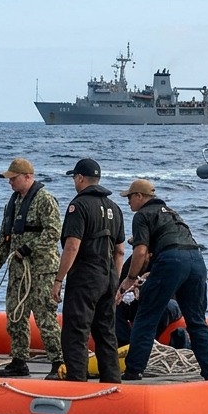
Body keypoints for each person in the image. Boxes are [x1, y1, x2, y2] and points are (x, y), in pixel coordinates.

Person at [118, 179, 208, 381]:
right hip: (197, 260)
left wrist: (130, 279)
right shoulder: (172, 213)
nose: (128, 202)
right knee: (196, 320)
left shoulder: (142, 215)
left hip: (171, 260)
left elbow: (140, 252)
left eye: (129, 197)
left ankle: (133, 370)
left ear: (140, 196)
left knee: (146, 316)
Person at [0, 158, 63, 378]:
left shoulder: (45, 200)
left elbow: (53, 232)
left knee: (45, 317)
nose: (10, 182)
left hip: (41, 271)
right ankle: (19, 361)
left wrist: (28, 249)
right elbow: (4, 237)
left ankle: (58, 362)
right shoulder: (13, 203)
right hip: (18, 271)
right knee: (15, 316)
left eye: (13, 178)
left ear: (28, 177)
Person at [52, 159, 125, 383]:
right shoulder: (115, 208)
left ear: (81, 178)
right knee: (106, 332)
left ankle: (76, 382)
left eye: (75, 177)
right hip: (108, 275)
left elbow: (73, 245)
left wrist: (58, 279)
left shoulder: (79, 206)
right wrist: (115, 281)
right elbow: (120, 251)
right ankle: (112, 381)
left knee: (76, 331)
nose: (74, 182)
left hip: (85, 275)